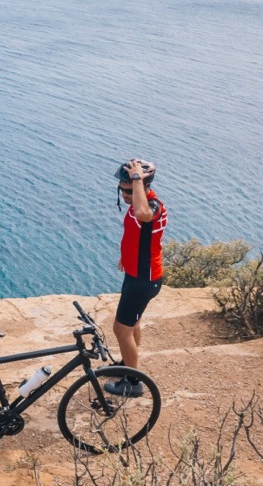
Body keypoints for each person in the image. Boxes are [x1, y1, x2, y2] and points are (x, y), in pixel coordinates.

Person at [106, 159, 167, 397]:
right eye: (122, 189)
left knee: (121, 330)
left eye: (129, 190)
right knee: (133, 324)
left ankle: (133, 382)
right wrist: (126, 257)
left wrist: (137, 179)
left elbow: (143, 215)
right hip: (138, 274)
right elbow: (137, 236)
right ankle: (127, 364)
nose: (125, 195)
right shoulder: (139, 203)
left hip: (143, 280)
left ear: (143, 183)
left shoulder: (152, 205)